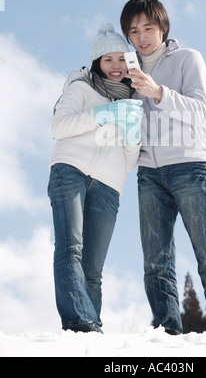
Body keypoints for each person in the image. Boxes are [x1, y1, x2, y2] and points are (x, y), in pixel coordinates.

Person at [120, 0, 206, 334]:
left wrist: (158, 92)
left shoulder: (189, 58)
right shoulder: (128, 74)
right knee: (155, 263)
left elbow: (200, 110)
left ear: (163, 28)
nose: (141, 36)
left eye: (148, 28)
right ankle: (167, 336)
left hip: (190, 166)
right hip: (149, 174)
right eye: (133, 30)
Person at [48, 24, 143, 333]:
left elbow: (130, 160)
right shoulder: (80, 87)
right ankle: (81, 323)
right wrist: (105, 116)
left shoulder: (134, 101)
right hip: (70, 170)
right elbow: (59, 128)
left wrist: (130, 132)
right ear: (97, 63)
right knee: (70, 248)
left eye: (121, 59)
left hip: (108, 185)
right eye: (107, 60)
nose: (115, 67)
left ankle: (91, 337)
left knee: (93, 269)